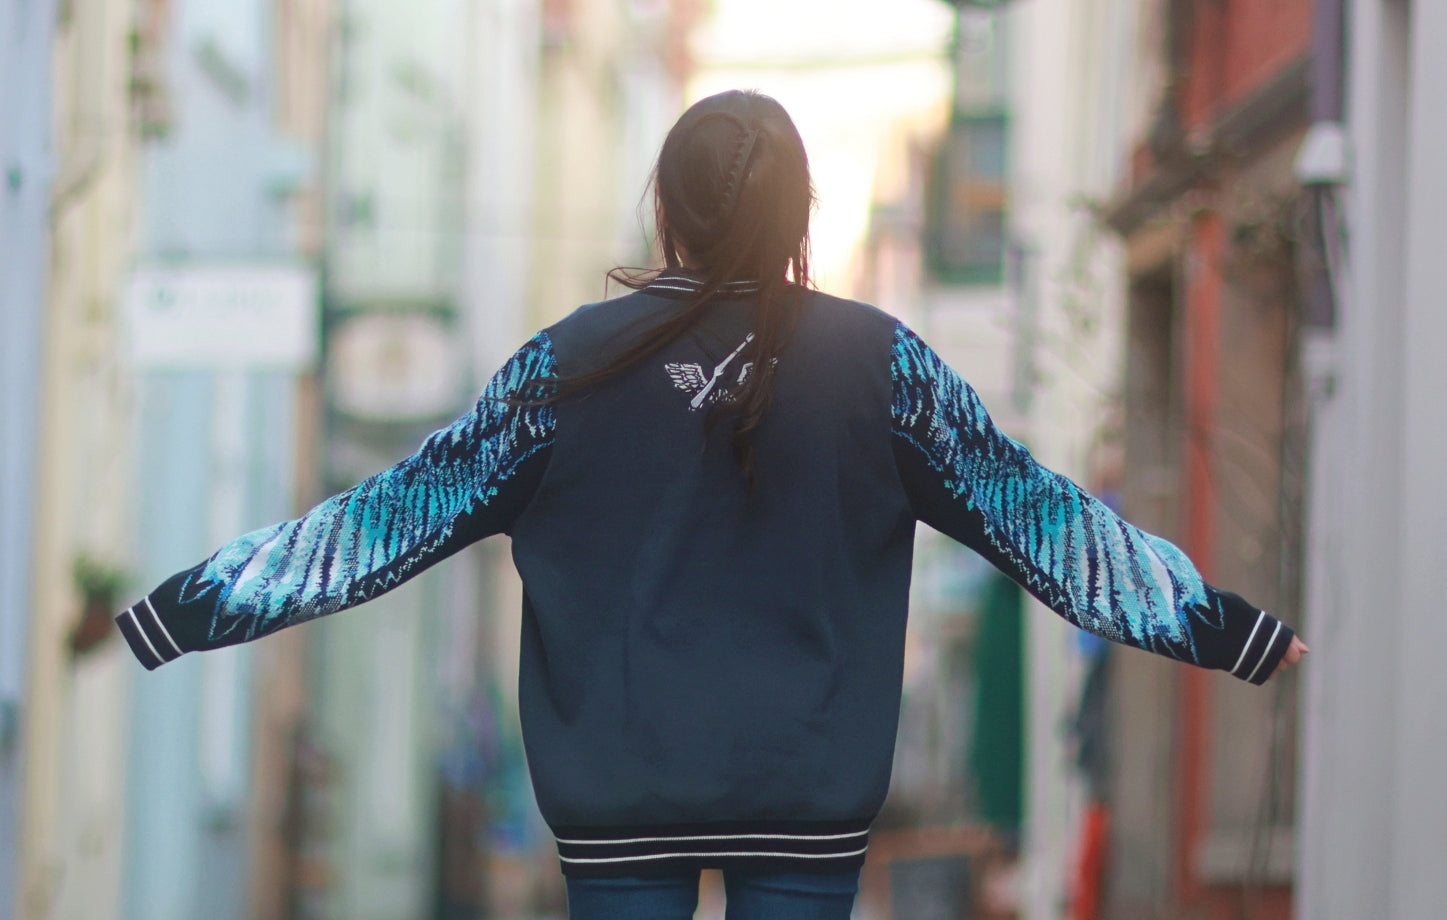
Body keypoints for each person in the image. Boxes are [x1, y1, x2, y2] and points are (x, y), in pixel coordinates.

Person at [115, 89, 1307, 919]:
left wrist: (180, 609)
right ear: (798, 220)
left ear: (666, 212)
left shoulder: (561, 370)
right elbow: (1043, 522)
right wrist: (1231, 630)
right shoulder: (881, 367)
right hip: (805, 795)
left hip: (617, 802)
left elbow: (383, 522)